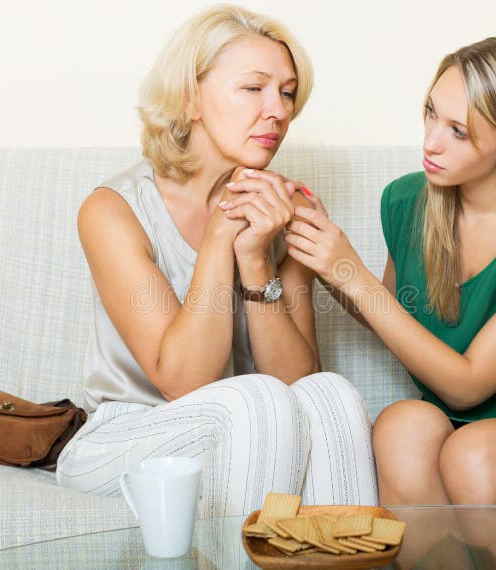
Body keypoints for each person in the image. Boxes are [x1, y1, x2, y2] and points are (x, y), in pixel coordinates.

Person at [281, 36, 496, 510]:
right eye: (430, 112)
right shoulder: (408, 200)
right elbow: (392, 312)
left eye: (459, 131)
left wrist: (349, 272)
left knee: (474, 455)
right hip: (454, 433)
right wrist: (323, 250)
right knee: (400, 426)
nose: (430, 141)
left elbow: (467, 386)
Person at [56, 5, 378, 516]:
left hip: (257, 430)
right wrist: (222, 234)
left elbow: (299, 381)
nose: (278, 110)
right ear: (191, 98)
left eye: (287, 92)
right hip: (128, 438)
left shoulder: (286, 210)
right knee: (257, 401)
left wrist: (256, 262)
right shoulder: (112, 210)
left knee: (333, 396)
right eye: (254, 88)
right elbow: (185, 381)